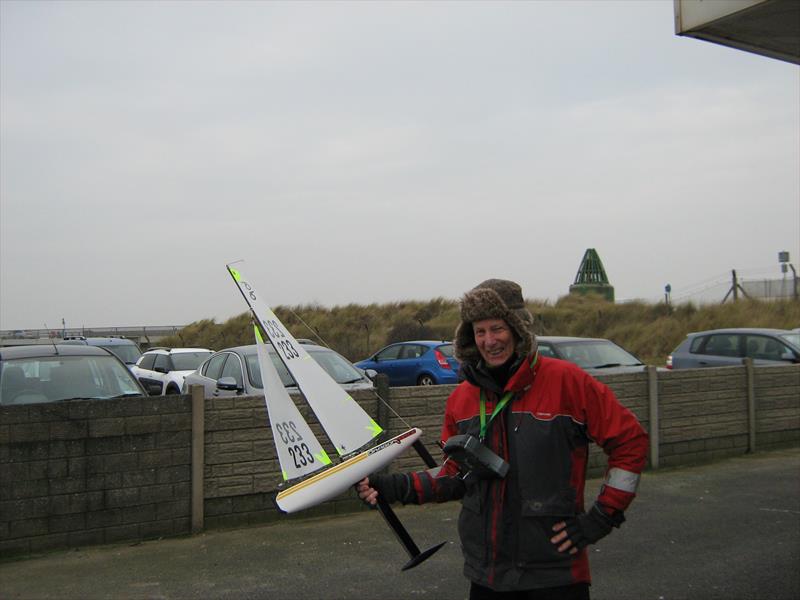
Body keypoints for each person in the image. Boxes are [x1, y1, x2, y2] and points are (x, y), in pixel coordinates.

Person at [357, 279, 649, 599]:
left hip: (555, 577)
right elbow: (455, 476)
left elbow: (631, 442)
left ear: (518, 329)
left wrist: (601, 518)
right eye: (479, 331)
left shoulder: (569, 382)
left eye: (497, 328)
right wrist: (390, 486)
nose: (489, 340)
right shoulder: (462, 400)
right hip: (487, 577)